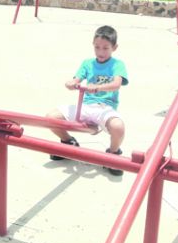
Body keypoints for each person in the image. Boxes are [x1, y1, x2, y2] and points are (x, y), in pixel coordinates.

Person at [46, 25, 129, 176]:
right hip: (85, 106)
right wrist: (71, 83)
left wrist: (98, 87)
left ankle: (113, 153)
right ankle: (68, 142)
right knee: (51, 117)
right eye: (97, 47)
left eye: (105, 48)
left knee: (118, 127)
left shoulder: (117, 65)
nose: (101, 52)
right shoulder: (87, 63)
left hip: (105, 107)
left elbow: (116, 84)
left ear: (114, 48)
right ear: (93, 45)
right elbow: (76, 79)